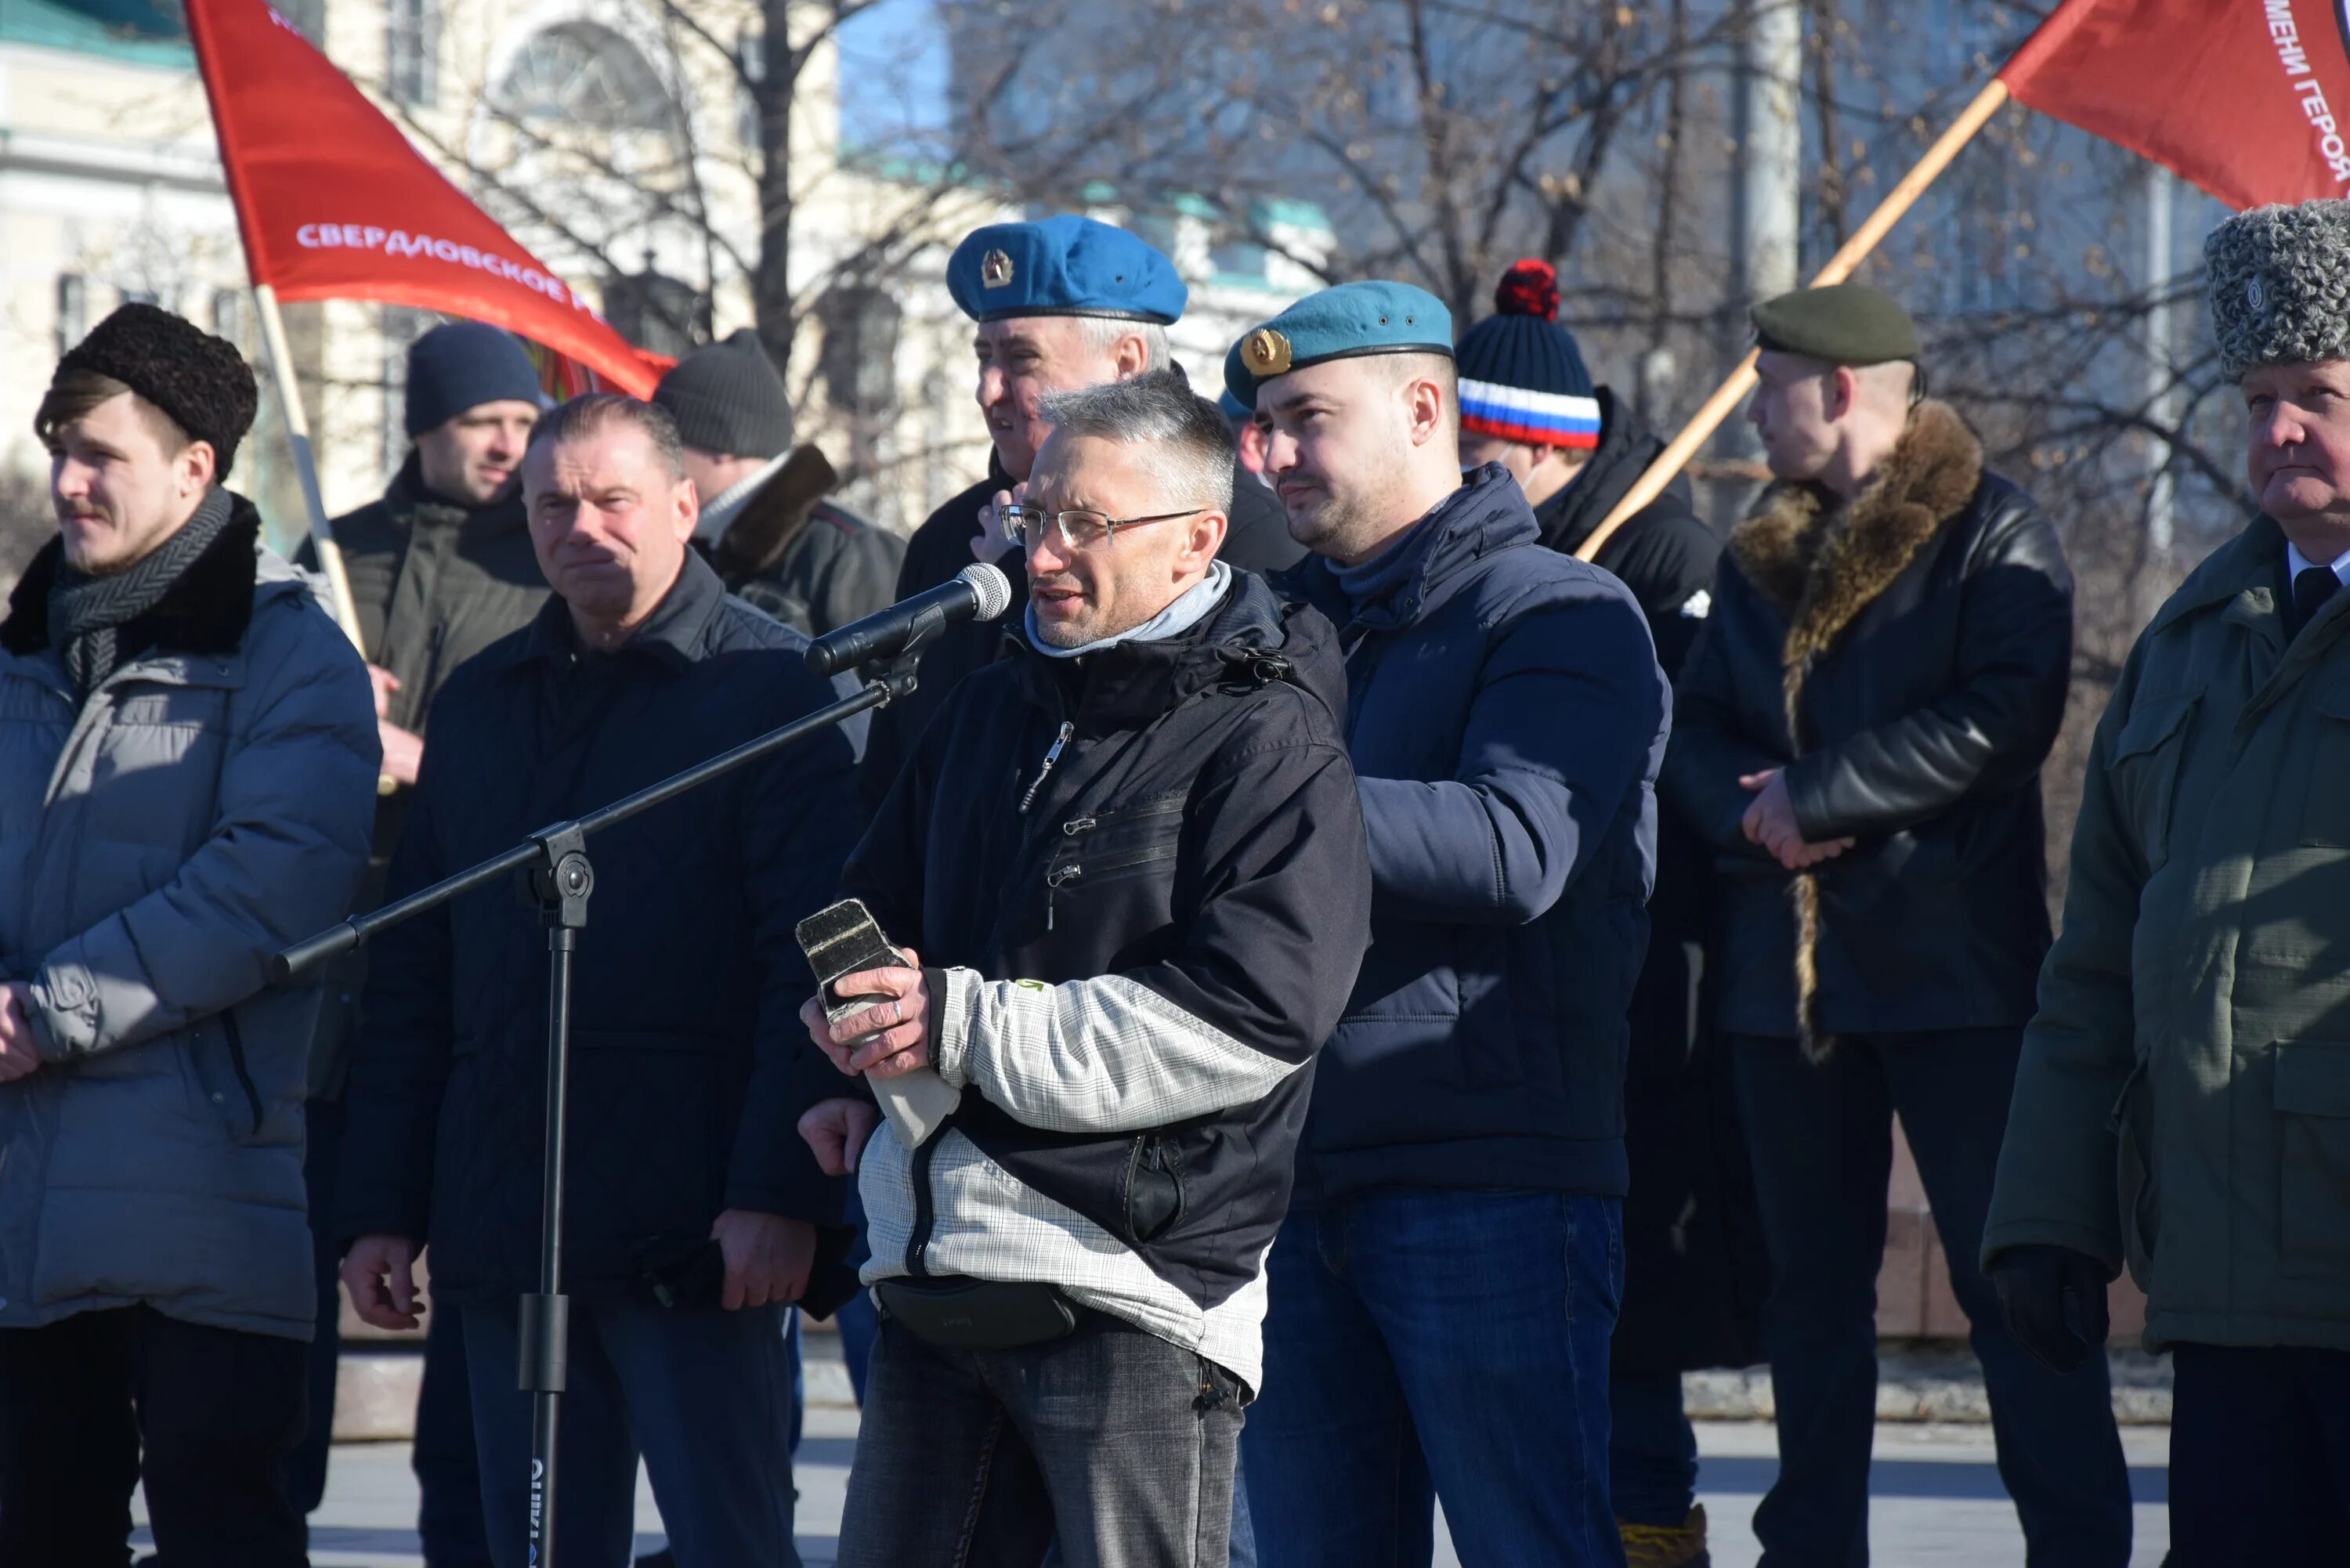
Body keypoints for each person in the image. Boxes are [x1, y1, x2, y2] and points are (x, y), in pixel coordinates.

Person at [801, 369, 1371, 1568]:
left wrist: (950, 1021)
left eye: (1084, 524)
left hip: (1130, 1287)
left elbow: (1249, 1018)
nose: (1043, 552)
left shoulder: (1269, 738)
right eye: (1031, 513)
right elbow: (877, 904)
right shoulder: (987, 703)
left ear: (1195, 542)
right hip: (939, 1264)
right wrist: (851, 1016)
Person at [335, 394, 862, 1568]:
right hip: (506, 1219)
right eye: (552, 504)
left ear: (684, 504)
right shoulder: (479, 703)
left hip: (701, 1231)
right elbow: (417, 968)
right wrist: (382, 1201)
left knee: (730, 1544)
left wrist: (782, 1191)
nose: (582, 526)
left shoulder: (773, 693)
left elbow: (815, 955)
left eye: (612, 498)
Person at [1661, 284, 2129, 1566]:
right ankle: (1809, 1549)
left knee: (2017, 1290)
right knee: (1809, 1302)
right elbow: (1693, 730)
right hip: (1787, 985)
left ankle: (2081, 1543)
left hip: (1952, 975)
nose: (1752, 407)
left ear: (1840, 389)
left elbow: (2005, 715)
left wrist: (1821, 796)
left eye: (1768, 384)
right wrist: (1760, 820)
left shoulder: (1995, 534)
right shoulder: (1761, 550)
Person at [1233, 282, 1671, 1567]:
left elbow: (1517, 847)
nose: (1275, 455)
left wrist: (1257, 801)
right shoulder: (1271, 629)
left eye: (1307, 417)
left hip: (1490, 1183)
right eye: (1263, 426)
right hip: (1291, 1181)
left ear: (1426, 409)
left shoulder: (1555, 613)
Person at [1983, 197, 2350, 1563]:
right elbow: (2097, 961)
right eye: (2258, 398)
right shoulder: (2193, 640)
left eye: (2317, 393)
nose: (2277, 432)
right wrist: (2046, 1212)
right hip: (2227, 1285)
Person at [0, 302, 380, 1566]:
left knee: (224, 1536)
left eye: (99, 452)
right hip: (21, 1213)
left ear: (195, 467)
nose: (66, 479)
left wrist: (40, 1013)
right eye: (59, 447)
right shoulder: (17, 661)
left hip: (206, 1202)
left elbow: (268, 890)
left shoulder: (291, 658)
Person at [1454, 257, 1761, 1567]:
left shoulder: (1665, 553)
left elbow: (1677, 764)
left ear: (1532, 449)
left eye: (1474, 449)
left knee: (1634, 1298)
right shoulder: (1473, 555)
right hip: (1497, 987)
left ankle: (1654, 1530)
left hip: (1646, 980)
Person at [290, 316, 548, 1564]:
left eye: (521, 423)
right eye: (481, 425)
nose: (509, 446)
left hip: (473, 969)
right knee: (283, 1293)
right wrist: (329, 720)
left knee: (481, 1342)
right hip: (326, 978)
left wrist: (418, 761)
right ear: (422, 431)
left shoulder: (550, 561)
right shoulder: (336, 555)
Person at [860, 214, 1293, 804]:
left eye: (1022, 359)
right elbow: (892, 786)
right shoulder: (949, 535)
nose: (988, 389)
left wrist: (1019, 585)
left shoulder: (1241, 539)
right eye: (983, 355)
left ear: (1126, 365)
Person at [653, 327, 904, 637]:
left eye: (665, 442)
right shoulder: (688, 546)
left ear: (722, 444)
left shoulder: (849, 551)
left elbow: (898, 676)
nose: (652, 461)